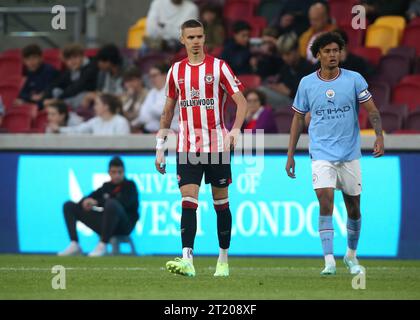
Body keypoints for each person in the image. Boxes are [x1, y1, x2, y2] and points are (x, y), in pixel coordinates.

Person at [286, 32, 385, 276]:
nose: (333, 55)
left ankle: (350, 255)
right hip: (321, 153)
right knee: (325, 201)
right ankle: (328, 260)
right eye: (327, 51)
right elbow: (298, 119)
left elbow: (372, 110)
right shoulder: (307, 83)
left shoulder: (354, 79)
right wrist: (290, 155)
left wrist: (379, 135)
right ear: (318, 54)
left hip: (349, 153)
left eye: (336, 51)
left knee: (354, 208)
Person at [155, 19, 247, 277]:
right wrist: (160, 146)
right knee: (188, 201)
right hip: (187, 146)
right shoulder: (175, 71)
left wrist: (236, 129)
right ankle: (187, 260)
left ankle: (223, 259)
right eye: (190, 37)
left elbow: (241, 103)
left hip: (217, 145)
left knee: (221, 203)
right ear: (182, 40)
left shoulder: (219, 68)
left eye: (199, 37)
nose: (195, 41)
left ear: (204, 39)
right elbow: (167, 111)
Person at [58, 156, 139, 257]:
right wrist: (85, 201)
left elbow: (124, 202)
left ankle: (103, 244)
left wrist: (97, 202)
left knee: (111, 204)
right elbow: (90, 197)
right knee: (69, 206)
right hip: (106, 225)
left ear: (124, 172)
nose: (117, 175)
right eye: (114, 172)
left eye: (120, 172)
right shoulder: (106, 186)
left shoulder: (130, 185)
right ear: (109, 172)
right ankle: (74, 244)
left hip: (124, 226)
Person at [259, 32, 314, 108]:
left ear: (297, 50)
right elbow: (280, 84)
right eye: (283, 55)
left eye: (288, 54)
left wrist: (289, 92)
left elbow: (309, 96)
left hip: (298, 104)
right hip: (284, 101)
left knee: (261, 92)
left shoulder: (308, 68)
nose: (285, 58)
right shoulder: (285, 67)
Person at [44, 43, 98, 109]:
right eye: (68, 59)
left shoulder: (91, 68)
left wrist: (57, 100)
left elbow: (77, 87)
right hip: (71, 98)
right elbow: (55, 83)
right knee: (56, 90)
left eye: (75, 57)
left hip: (87, 99)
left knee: (81, 96)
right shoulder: (70, 70)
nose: (72, 61)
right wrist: (46, 98)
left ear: (82, 56)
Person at [49, 93, 130, 135]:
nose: (94, 107)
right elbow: (77, 131)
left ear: (106, 107)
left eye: (97, 104)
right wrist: (59, 129)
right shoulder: (95, 121)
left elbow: (123, 144)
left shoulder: (121, 122)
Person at [131, 63, 178, 133]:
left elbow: (160, 112)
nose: (152, 79)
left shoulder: (173, 90)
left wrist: (148, 110)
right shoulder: (152, 92)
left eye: (154, 75)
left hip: (171, 132)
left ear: (165, 75)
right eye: (150, 76)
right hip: (151, 132)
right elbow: (142, 115)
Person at [15, 44, 59, 108]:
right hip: (34, 102)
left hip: (47, 103)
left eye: (34, 58)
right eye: (28, 59)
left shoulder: (49, 70)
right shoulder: (27, 73)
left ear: (41, 58)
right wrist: (30, 97)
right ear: (24, 61)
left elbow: (50, 91)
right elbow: (21, 93)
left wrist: (27, 101)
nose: (31, 61)